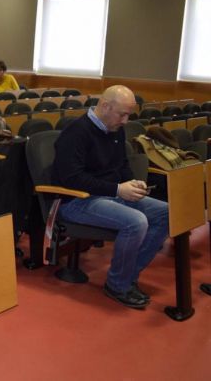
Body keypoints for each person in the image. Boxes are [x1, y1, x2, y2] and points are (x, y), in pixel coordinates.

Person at [52, 85, 168, 309]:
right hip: (77, 200)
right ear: (105, 106)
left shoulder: (115, 128)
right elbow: (72, 179)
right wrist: (117, 189)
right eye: (122, 114)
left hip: (108, 194)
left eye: (128, 115)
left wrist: (133, 182)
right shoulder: (75, 133)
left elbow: (121, 165)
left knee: (165, 212)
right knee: (136, 222)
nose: (126, 121)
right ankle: (117, 285)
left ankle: (128, 275)